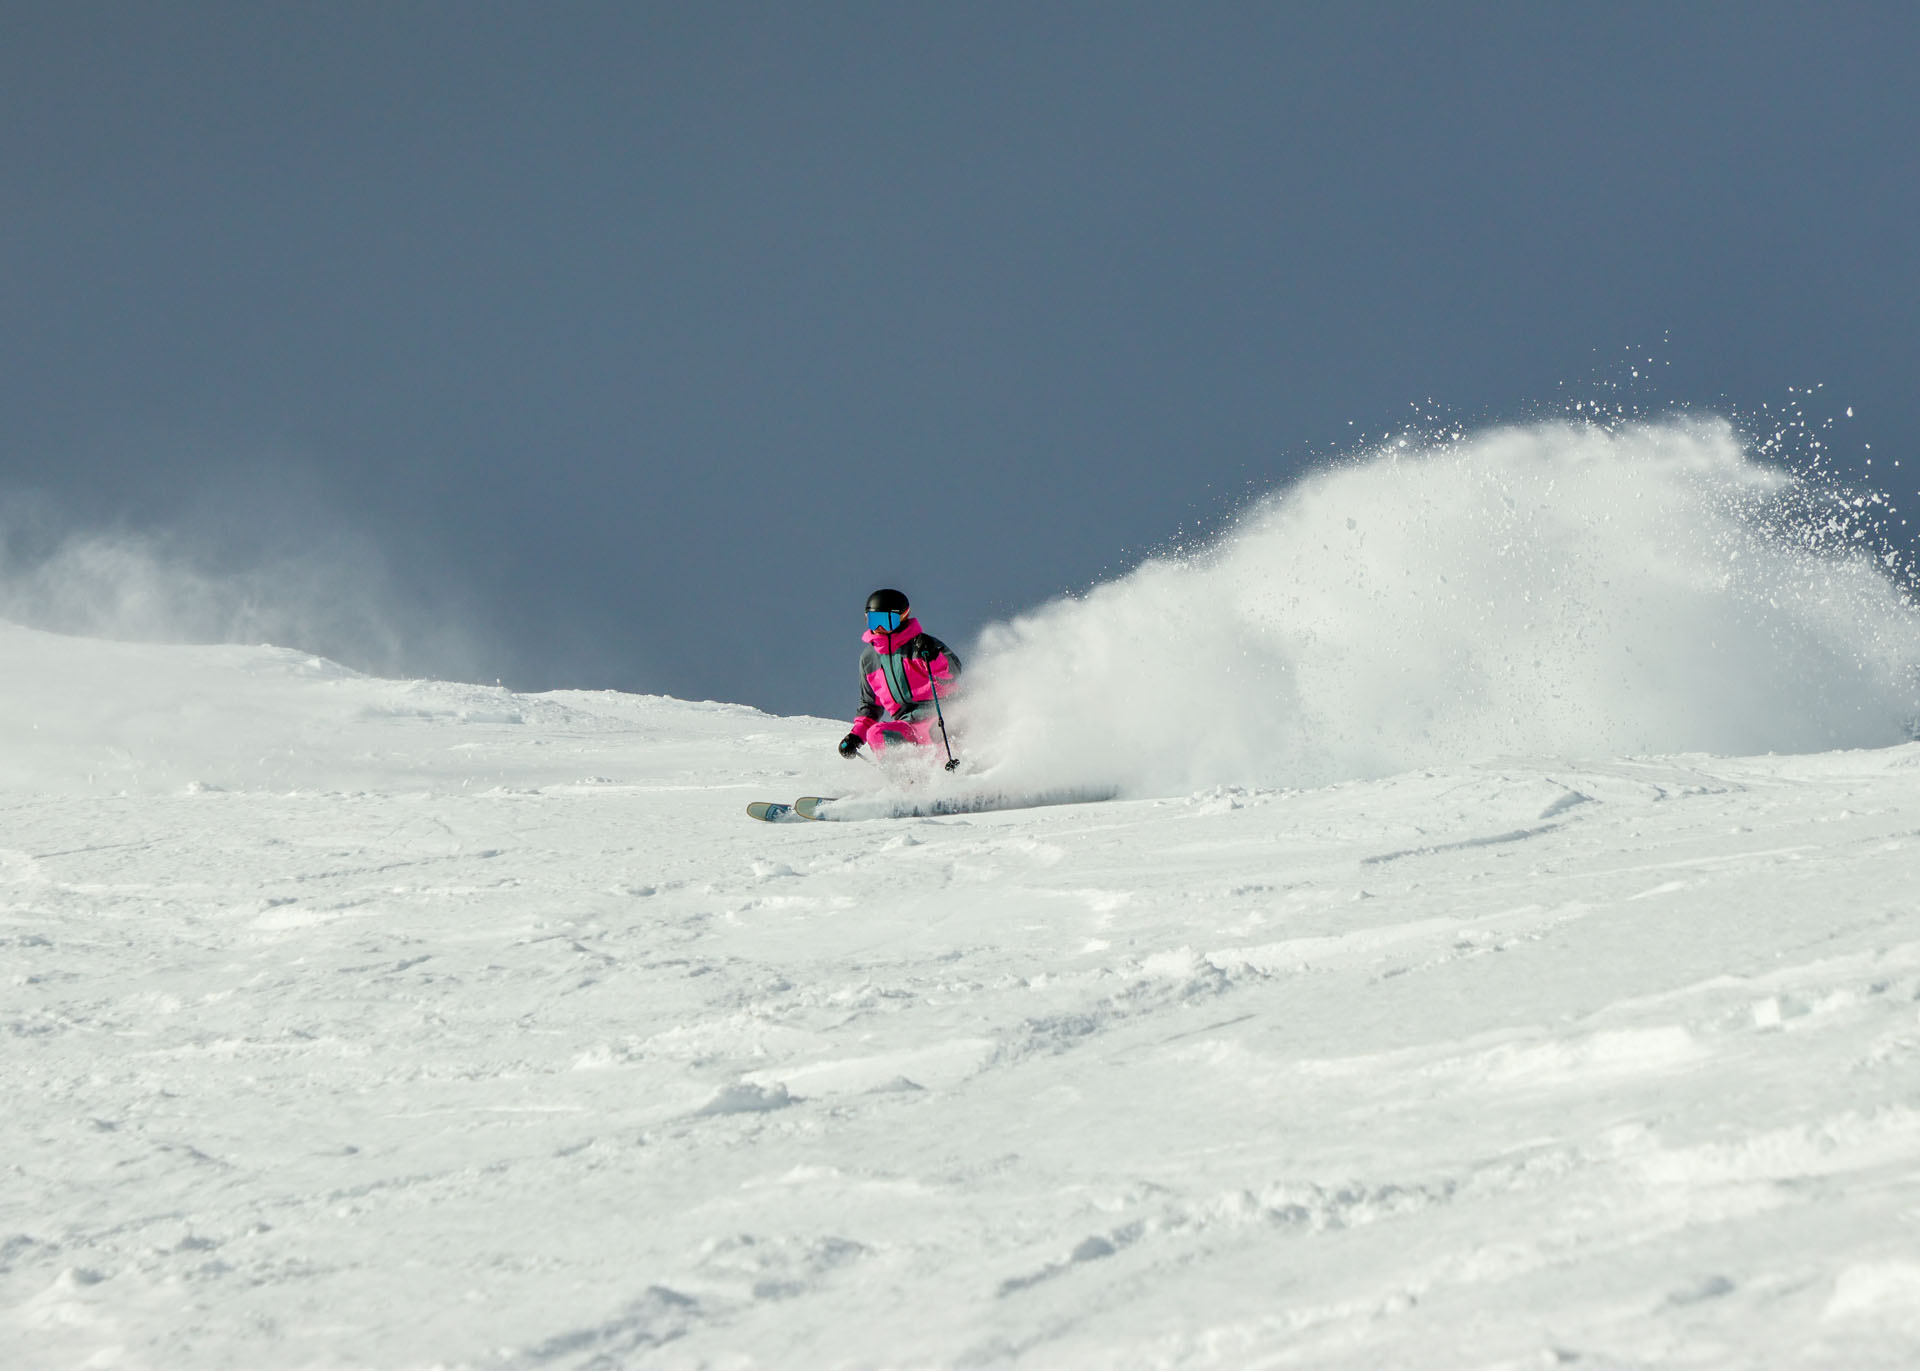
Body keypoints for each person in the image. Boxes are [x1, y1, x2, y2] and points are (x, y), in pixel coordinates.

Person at [839, 588, 962, 761]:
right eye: (874, 621)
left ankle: (958, 770)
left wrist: (934, 656)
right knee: (877, 734)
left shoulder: (921, 645)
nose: (879, 628)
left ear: (902, 617)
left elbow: (953, 671)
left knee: (940, 731)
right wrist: (856, 736)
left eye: (886, 621)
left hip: (942, 714)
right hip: (908, 727)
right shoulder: (869, 659)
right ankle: (904, 777)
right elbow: (870, 705)